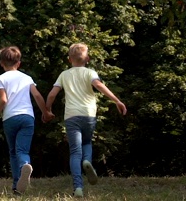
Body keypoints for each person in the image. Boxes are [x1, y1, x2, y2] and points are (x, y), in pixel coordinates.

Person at [44, 43, 127, 197]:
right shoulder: (90, 73)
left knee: (75, 151)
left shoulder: (64, 74)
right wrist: (117, 100)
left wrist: (47, 110)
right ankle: (87, 161)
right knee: (87, 142)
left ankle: (78, 188)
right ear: (87, 59)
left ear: (69, 59)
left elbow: (51, 94)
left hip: (71, 116)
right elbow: (99, 85)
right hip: (89, 115)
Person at [0, 46, 53, 194]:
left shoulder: (1, 79)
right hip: (27, 117)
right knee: (23, 150)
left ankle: (16, 184)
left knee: (13, 151)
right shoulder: (26, 78)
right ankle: (25, 165)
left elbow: (2, 100)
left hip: (10, 119)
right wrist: (45, 112)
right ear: (18, 63)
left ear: (1, 63)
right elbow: (38, 96)